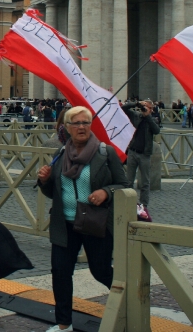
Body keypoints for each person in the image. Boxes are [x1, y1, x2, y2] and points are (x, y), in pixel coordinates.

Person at [37, 106, 128, 332]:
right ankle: (63, 325)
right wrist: (45, 181)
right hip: (64, 223)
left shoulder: (105, 153)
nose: (81, 127)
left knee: (101, 270)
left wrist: (106, 192)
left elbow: (124, 185)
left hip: (95, 223)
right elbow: (53, 193)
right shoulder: (60, 154)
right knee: (60, 273)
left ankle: (129, 302)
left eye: (85, 123)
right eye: (76, 123)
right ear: (66, 128)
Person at [122, 99, 160, 221]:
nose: (144, 109)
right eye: (143, 107)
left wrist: (148, 116)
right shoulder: (136, 116)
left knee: (145, 182)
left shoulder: (152, 120)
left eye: (147, 107)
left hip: (145, 154)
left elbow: (156, 130)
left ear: (151, 109)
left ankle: (144, 205)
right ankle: (126, 201)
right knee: (129, 181)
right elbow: (123, 108)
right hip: (133, 152)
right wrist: (136, 103)